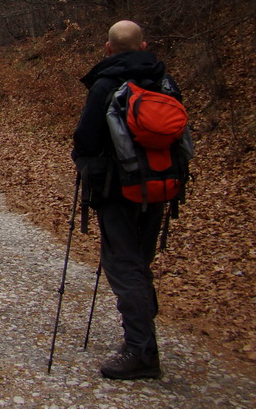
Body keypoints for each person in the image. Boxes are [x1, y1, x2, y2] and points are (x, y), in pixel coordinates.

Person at [72, 20, 182, 380]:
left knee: (124, 266)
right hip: (160, 186)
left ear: (108, 48)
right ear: (144, 44)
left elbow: (86, 141)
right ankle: (142, 340)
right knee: (139, 262)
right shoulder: (165, 82)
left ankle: (141, 351)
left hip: (117, 191)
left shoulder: (106, 83)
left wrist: (89, 175)